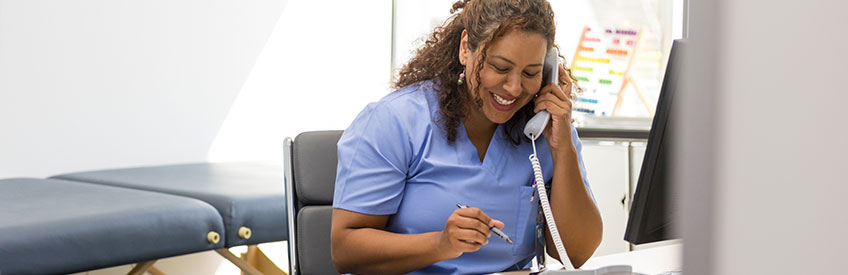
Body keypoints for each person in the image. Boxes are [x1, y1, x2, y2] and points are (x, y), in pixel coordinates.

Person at [331, 0, 602, 274]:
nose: (514, 87)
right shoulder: (395, 120)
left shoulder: (545, 130)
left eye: (531, 73)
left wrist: (562, 149)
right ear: (465, 48)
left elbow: (576, 254)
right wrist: (440, 244)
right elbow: (345, 250)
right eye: (500, 67)